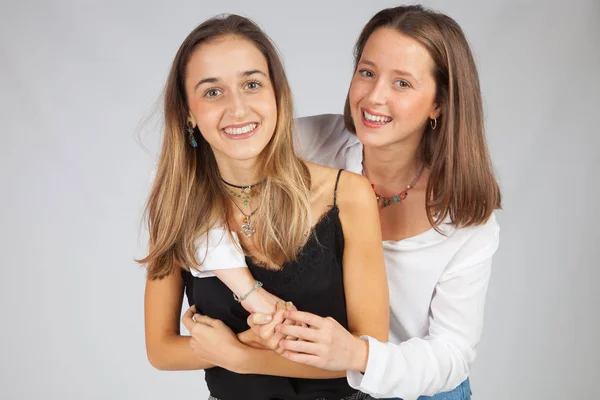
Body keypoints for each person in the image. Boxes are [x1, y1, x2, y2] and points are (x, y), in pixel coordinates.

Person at [189, 5, 501, 400]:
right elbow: (191, 181)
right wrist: (247, 290)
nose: (374, 97)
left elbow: (452, 353)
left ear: (439, 103)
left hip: (419, 390)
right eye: (367, 73)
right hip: (326, 384)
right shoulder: (308, 145)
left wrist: (358, 354)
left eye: (402, 83)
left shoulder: (469, 218)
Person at [138, 13, 389, 400]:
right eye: (212, 91)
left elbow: (368, 355)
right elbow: (160, 349)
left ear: (277, 94)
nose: (237, 109)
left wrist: (239, 355)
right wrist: (238, 343)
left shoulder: (349, 196)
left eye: (252, 84)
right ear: (187, 112)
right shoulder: (175, 207)